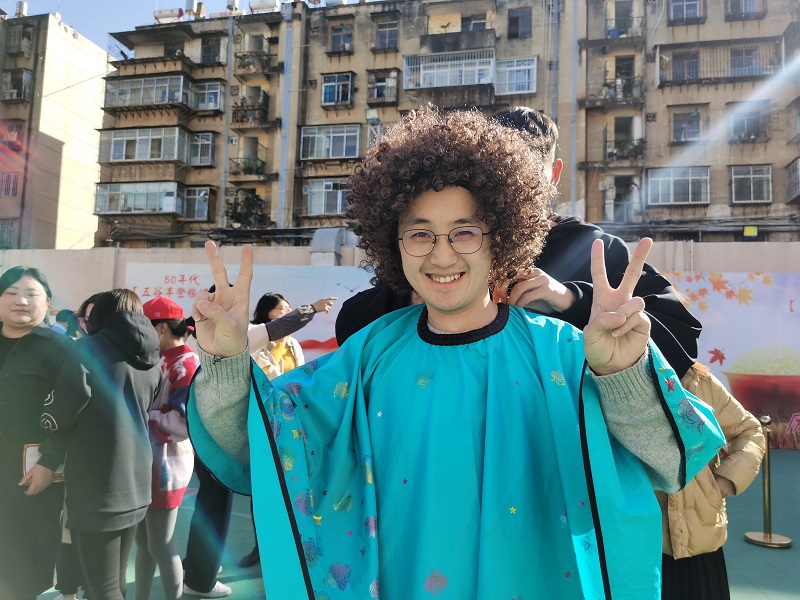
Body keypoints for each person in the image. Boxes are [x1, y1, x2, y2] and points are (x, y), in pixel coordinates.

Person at [186, 106, 725, 599]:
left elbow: (669, 460)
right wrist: (227, 362)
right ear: (395, 244)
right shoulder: (366, 356)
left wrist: (624, 371)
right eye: (420, 234)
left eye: (465, 232)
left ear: (503, 236)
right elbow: (262, 444)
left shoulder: (564, 351)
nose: (442, 256)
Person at [336, 106, 702, 379]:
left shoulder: (594, 249)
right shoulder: (433, 250)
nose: (446, 255)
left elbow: (681, 345)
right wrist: (425, 297)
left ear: (553, 174)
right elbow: (352, 330)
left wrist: (573, 301)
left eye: (524, 177)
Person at [182, 286, 336, 597]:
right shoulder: (237, 337)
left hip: (269, 432)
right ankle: (200, 575)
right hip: (228, 437)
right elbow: (275, 330)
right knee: (216, 506)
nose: (285, 312)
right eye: (281, 308)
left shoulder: (283, 344)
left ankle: (206, 567)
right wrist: (312, 308)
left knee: (262, 499)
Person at [51, 289, 161, 600]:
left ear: (100, 315)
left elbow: (63, 410)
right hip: (137, 479)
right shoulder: (152, 355)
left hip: (97, 482)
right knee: (115, 581)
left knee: (102, 588)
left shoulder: (86, 349)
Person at [0, 267, 89, 600]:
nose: (21, 301)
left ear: (48, 303)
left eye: (31, 294)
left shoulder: (61, 348)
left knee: (24, 562)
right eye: (11, 293)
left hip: (30, 474)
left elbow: (75, 408)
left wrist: (49, 462)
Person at [239, 292, 339, 568]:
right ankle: (261, 547)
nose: (287, 312)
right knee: (263, 486)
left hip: (292, 423)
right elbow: (269, 378)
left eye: (288, 308)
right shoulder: (254, 340)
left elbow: (301, 376)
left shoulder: (293, 344)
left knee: (295, 484)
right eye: (282, 309)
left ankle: (296, 546)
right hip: (263, 421)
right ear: (268, 313)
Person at [660, 362, 766, 600]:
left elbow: (749, 431)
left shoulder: (700, 381)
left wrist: (724, 481)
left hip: (698, 537)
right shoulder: (605, 376)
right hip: (635, 538)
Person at [135, 297, 198, 600]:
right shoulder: (162, 359)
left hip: (166, 467)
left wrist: (140, 415)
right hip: (149, 463)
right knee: (143, 543)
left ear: (160, 328)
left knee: (160, 544)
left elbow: (181, 423)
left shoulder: (186, 364)